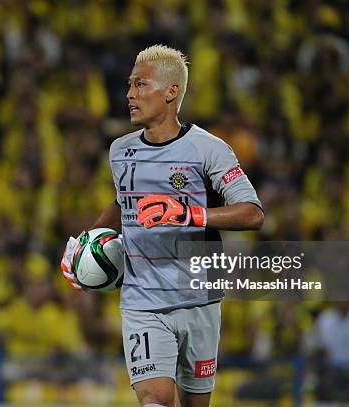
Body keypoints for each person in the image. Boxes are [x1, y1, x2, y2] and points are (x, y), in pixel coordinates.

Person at [61, 45, 263, 407]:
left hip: (200, 300)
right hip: (143, 302)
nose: (130, 94)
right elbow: (123, 201)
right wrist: (85, 243)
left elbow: (252, 213)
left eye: (140, 84)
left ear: (171, 92)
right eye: (129, 85)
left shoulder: (208, 149)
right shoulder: (120, 151)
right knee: (156, 402)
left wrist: (190, 214)